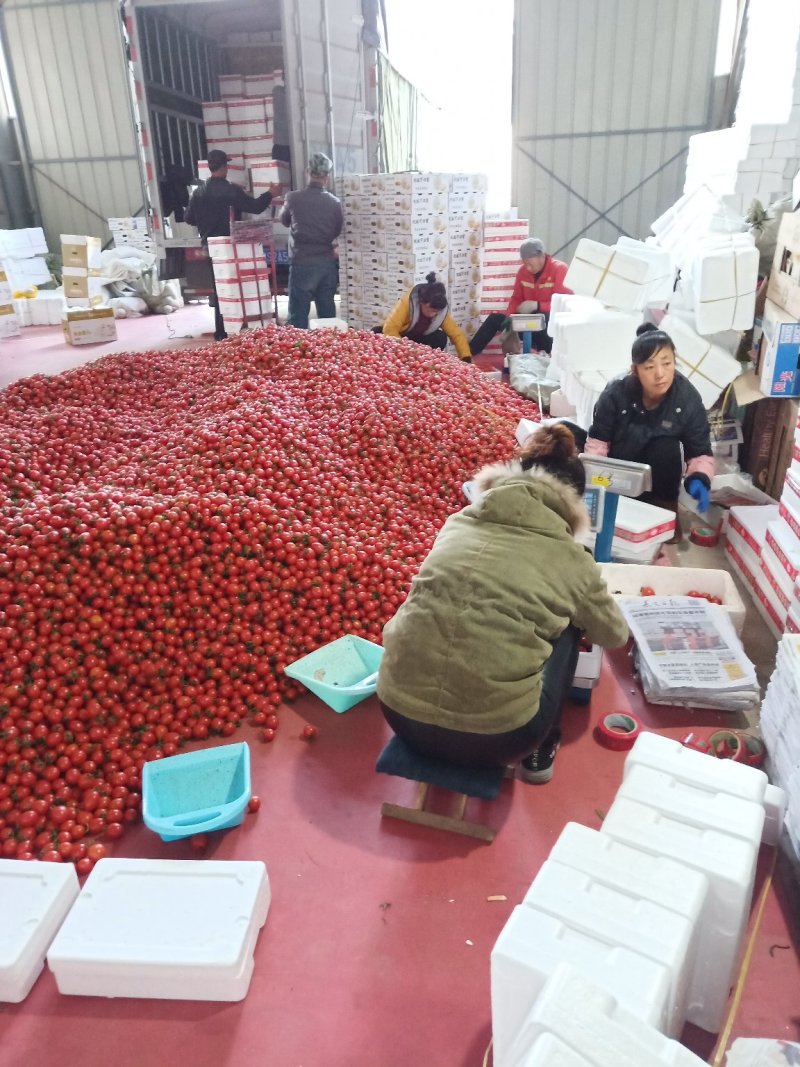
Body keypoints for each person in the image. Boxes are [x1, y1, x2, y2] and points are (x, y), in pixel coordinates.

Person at [377, 424, 629, 783]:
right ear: (572, 502)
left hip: (399, 713)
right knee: (573, 622)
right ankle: (542, 748)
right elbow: (614, 634)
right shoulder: (571, 559)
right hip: (498, 738)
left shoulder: (456, 525)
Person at [585, 323, 714, 529]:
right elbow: (598, 443)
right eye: (650, 367)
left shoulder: (687, 399)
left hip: (659, 479)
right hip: (620, 473)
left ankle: (666, 512)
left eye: (667, 363)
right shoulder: (615, 394)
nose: (660, 374)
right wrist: (598, 485)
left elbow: (699, 453)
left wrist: (699, 478)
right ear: (635, 370)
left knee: (666, 447)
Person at [185, 149, 281, 340]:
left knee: (221, 289)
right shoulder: (231, 190)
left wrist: (206, 222)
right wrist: (270, 193)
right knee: (236, 289)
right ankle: (237, 330)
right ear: (224, 166)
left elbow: (189, 218)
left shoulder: (198, 192)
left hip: (210, 248)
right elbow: (255, 207)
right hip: (231, 248)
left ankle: (221, 332)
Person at [469, 238, 571, 356]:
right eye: (525, 263)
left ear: (541, 256)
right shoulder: (523, 272)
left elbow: (564, 304)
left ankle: (547, 359)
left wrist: (537, 305)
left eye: (530, 264)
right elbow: (516, 298)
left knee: (546, 320)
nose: (527, 268)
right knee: (494, 319)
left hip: (549, 327)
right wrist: (509, 320)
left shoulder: (559, 269)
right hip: (528, 322)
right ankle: (467, 355)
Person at [279, 152, 343, 329]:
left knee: (298, 316)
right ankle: (328, 351)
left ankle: (299, 353)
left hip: (302, 263)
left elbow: (284, 221)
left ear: (307, 172)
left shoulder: (293, 198)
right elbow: (337, 230)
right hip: (326, 265)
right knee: (327, 316)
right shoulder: (335, 203)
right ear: (327, 177)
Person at [379, 272, 472, 360]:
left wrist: (466, 357)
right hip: (401, 337)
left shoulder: (441, 312)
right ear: (421, 302)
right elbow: (390, 329)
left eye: (436, 312)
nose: (433, 314)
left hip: (419, 340)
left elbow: (456, 334)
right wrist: (405, 351)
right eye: (429, 310)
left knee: (440, 337)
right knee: (377, 332)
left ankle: (427, 360)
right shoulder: (407, 302)